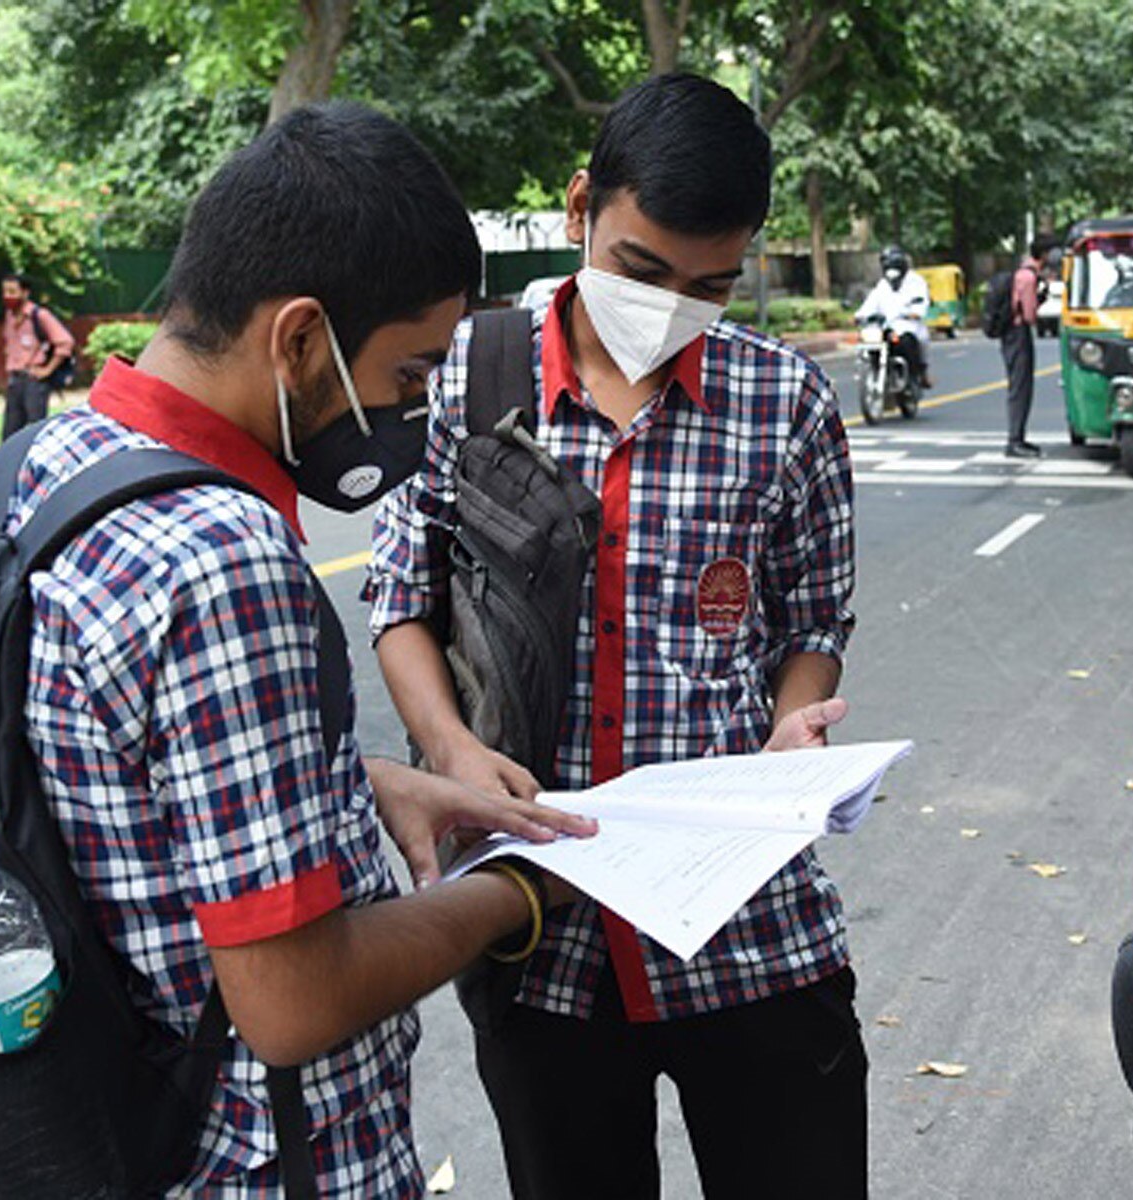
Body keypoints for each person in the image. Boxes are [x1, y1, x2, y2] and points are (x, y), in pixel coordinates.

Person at [2, 102, 594, 1196]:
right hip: (270, 1163)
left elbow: (111, 764)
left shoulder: (48, 464)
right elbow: (292, 1002)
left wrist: (362, 783)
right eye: (408, 377)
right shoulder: (223, 562)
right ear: (302, 338)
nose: (413, 412)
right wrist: (527, 889)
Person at [366, 73, 865, 1200]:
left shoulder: (785, 403)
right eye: (642, 268)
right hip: (543, 937)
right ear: (581, 205)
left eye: (710, 285)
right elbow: (401, 598)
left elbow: (811, 621)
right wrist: (449, 748)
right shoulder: (464, 374)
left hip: (749, 929)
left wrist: (793, 737)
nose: (671, 304)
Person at [0, 272, 75, 440]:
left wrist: (47, 370)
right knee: (10, 433)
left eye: (12, 292)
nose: (7, 296)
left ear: (25, 293)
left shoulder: (39, 315)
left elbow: (65, 342)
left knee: (34, 431)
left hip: (34, 380)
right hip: (15, 379)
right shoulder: (9, 316)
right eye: (5, 292)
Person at [855, 244, 933, 388]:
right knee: (869, 343)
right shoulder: (882, 285)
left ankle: (918, 374)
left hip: (908, 326)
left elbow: (921, 302)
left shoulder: (916, 282)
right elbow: (871, 303)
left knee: (916, 341)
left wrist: (914, 312)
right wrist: (860, 315)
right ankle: (877, 371)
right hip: (885, 327)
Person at [1001, 239, 1045, 458]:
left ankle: (1018, 437)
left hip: (1012, 334)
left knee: (1020, 385)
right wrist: (1038, 301)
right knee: (1020, 387)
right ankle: (1015, 440)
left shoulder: (1022, 272)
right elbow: (1029, 315)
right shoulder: (1028, 277)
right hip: (1018, 334)